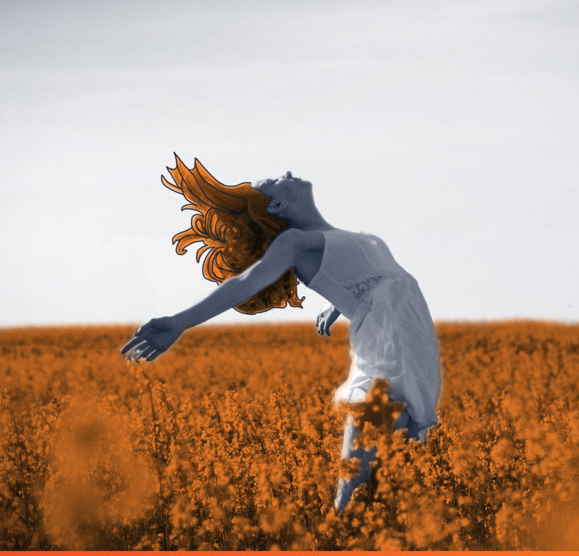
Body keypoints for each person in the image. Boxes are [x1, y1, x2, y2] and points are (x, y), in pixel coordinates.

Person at [122, 158, 442, 511]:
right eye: (275, 180)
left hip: (413, 345)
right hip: (388, 349)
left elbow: (376, 284)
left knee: (392, 494)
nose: (286, 173)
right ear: (277, 206)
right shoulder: (296, 241)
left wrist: (340, 304)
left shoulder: (341, 237)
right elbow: (246, 282)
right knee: (356, 491)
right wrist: (180, 322)